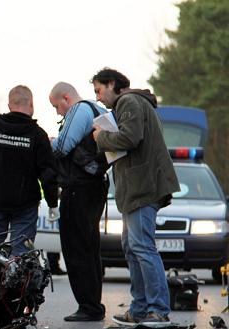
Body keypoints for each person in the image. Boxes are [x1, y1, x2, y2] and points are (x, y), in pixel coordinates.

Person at [91, 68, 179, 327]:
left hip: (143, 189)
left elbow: (130, 137)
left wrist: (100, 137)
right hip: (136, 190)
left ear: (111, 84)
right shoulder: (132, 103)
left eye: (98, 90)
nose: (97, 97)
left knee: (142, 248)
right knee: (132, 248)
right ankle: (140, 308)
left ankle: (158, 310)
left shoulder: (129, 101)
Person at [0, 85, 59, 256]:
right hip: (25, 205)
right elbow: (48, 173)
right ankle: (17, 282)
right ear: (31, 104)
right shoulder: (37, 135)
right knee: (21, 255)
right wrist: (52, 203)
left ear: (9, 105)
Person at [48, 82, 108, 322]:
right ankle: (93, 303)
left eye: (56, 106)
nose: (57, 112)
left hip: (78, 189)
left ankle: (88, 306)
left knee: (76, 248)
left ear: (66, 98)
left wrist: (48, 141)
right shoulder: (98, 110)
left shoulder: (79, 110)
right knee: (91, 247)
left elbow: (62, 148)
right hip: (95, 186)